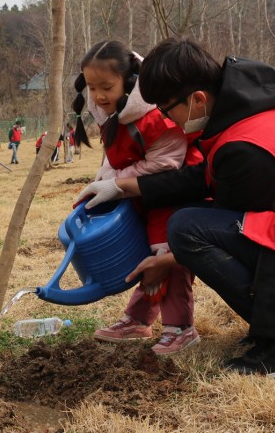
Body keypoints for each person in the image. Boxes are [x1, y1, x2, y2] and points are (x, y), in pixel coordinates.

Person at [75, 37, 275, 378]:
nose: (170, 121)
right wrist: (121, 186)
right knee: (192, 219)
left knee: (186, 229)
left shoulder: (248, 149)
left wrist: (166, 260)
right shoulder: (251, 99)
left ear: (197, 99)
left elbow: (221, 209)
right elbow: (208, 176)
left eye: (169, 111)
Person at [72, 40, 201, 356]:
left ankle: (181, 328)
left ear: (129, 83)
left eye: (107, 87)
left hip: (173, 192)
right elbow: (116, 156)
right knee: (148, 255)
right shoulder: (111, 112)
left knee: (166, 256)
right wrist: (102, 181)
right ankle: (138, 320)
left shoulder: (154, 117)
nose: (99, 95)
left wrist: (116, 182)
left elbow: (168, 162)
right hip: (143, 191)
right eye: (92, 87)